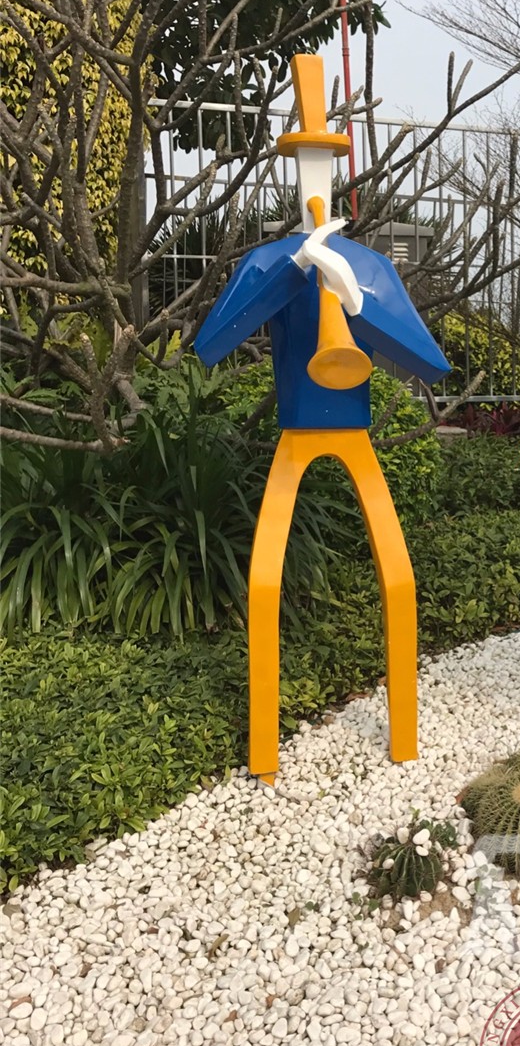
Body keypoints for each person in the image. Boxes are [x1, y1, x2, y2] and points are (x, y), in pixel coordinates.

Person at [195, 54, 450, 784]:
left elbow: (429, 363)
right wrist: (292, 270)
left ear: (339, 171)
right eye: (303, 161)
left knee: (398, 578)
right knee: (265, 581)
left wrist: (357, 300)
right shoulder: (272, 258)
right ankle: (265, 751)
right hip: (295, 433)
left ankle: (404, 736)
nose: (315, 176)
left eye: (325, 162)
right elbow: (211, 345)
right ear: (290, 169)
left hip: (355, 430)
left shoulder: (367, 265)